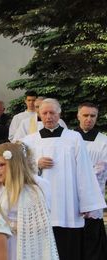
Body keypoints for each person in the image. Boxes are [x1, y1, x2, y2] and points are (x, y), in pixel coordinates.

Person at [22, 98, 106, 260]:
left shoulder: (73, 138)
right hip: (40, 205)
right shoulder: (29, 141)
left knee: (68, 249)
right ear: (39, 114)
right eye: (44, 113)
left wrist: (87, 203)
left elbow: (84, 171)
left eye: (52, 113)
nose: (48, 116)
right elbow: (19, 171)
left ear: (59, 114)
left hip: (68, 206)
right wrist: (35, 164)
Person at [0, 142, 58, 260]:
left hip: (20, 244)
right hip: (0, 245)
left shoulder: (32, 192)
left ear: (14, 165)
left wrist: (9, 226)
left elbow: (40, 226)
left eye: (0, 165)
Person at [75, 102, 107, 260]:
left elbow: (101, 169)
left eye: (92, 116)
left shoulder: (103, 141)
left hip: (93, 198)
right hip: (70, 199)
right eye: (85, 115)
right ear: (78, 116)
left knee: (92, 247)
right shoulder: (68, 138)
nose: (89, 119)